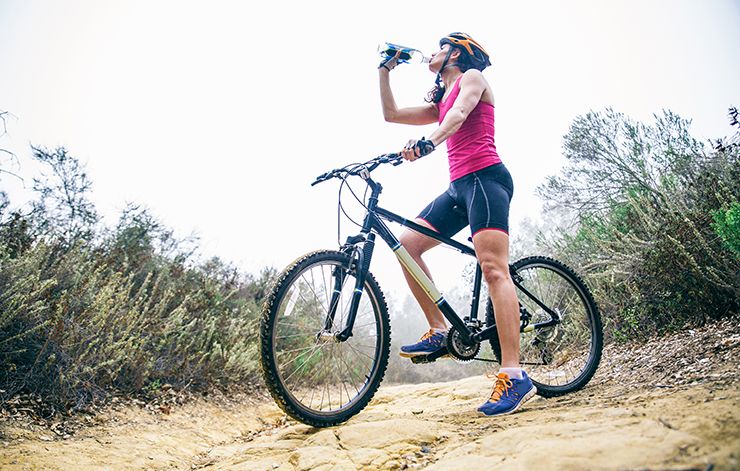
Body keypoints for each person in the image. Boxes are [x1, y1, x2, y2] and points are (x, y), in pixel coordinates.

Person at [378, 32, 536, 417]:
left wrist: (429, 143)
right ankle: (439, 329)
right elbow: (392, 114)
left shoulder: (472, 79)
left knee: (494, 270)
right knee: (407, 245)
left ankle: (514, 375)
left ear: (456, 53)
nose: (431, 53)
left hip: (487, 179)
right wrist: (384, 70)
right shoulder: (440, 96)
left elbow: (459, 115)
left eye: (439, 47)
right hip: (458, 187)